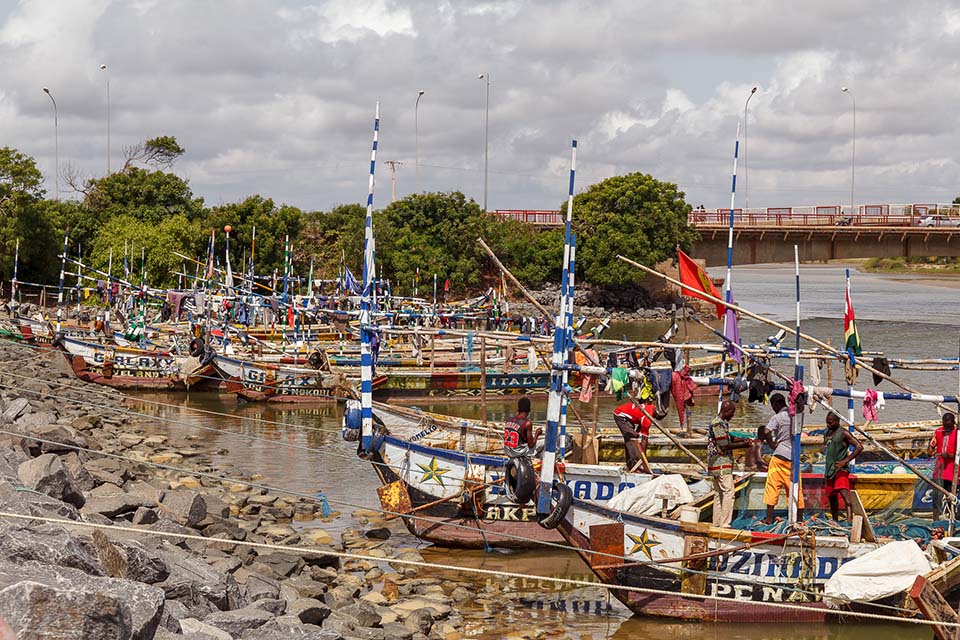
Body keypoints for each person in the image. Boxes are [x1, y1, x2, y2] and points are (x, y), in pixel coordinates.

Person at [707, 400, 752, 528]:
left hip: (717, 464)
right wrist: (744, 444)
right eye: (732, 413)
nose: (732, 416)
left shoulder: (722, 424)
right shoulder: (717, 424)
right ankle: (725, 523)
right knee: (729, 492)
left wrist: (742, 439)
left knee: (718, 494)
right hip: (721, 463)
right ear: (726, 411)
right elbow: (724, 445)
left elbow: (728, 437)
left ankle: (716, 523)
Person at [760, 393, 804, 524]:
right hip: (794, 457)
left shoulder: (777, 417)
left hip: (779, 457)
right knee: (796, 488)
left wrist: (772, 444)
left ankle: (768, 519)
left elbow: (766, 431)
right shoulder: (797, 415)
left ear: (776, 404)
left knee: (773, 487)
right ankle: (799, 519)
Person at [823, 411, 863, 522]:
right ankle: (834, 520)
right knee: (831, 496)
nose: (828, 425)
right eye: (827, 422)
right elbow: (827, 446)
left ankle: (849, 520)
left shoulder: (844, 433)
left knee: (844, 493)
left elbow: (859, 447)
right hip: (829, 470)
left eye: (830, 422)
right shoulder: (827, 433)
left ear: (837, 421)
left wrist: (845, 461)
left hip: (840, 469)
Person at [927, 412, 958, 521]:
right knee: (936, 495)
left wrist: (950, 455)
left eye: (948, 425)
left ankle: (953, 519)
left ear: (953, 423)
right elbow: (931, 445)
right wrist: (930, 451)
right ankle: (935, 520)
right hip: (939, 468)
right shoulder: (939, 431)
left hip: (952, 469)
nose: (946, 428)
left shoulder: (958, 433)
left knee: (951, 495)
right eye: (945, 425)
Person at [613, 398, 656, 471]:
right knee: (631, 439)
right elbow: (644, 440)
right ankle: (633, 467)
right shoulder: (647, 419)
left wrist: (637, 432)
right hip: (620, 415)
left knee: (632, 437)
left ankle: (632, 464)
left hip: (629, 418)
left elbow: (640, 422)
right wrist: (643, 457)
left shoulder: (651, 407)